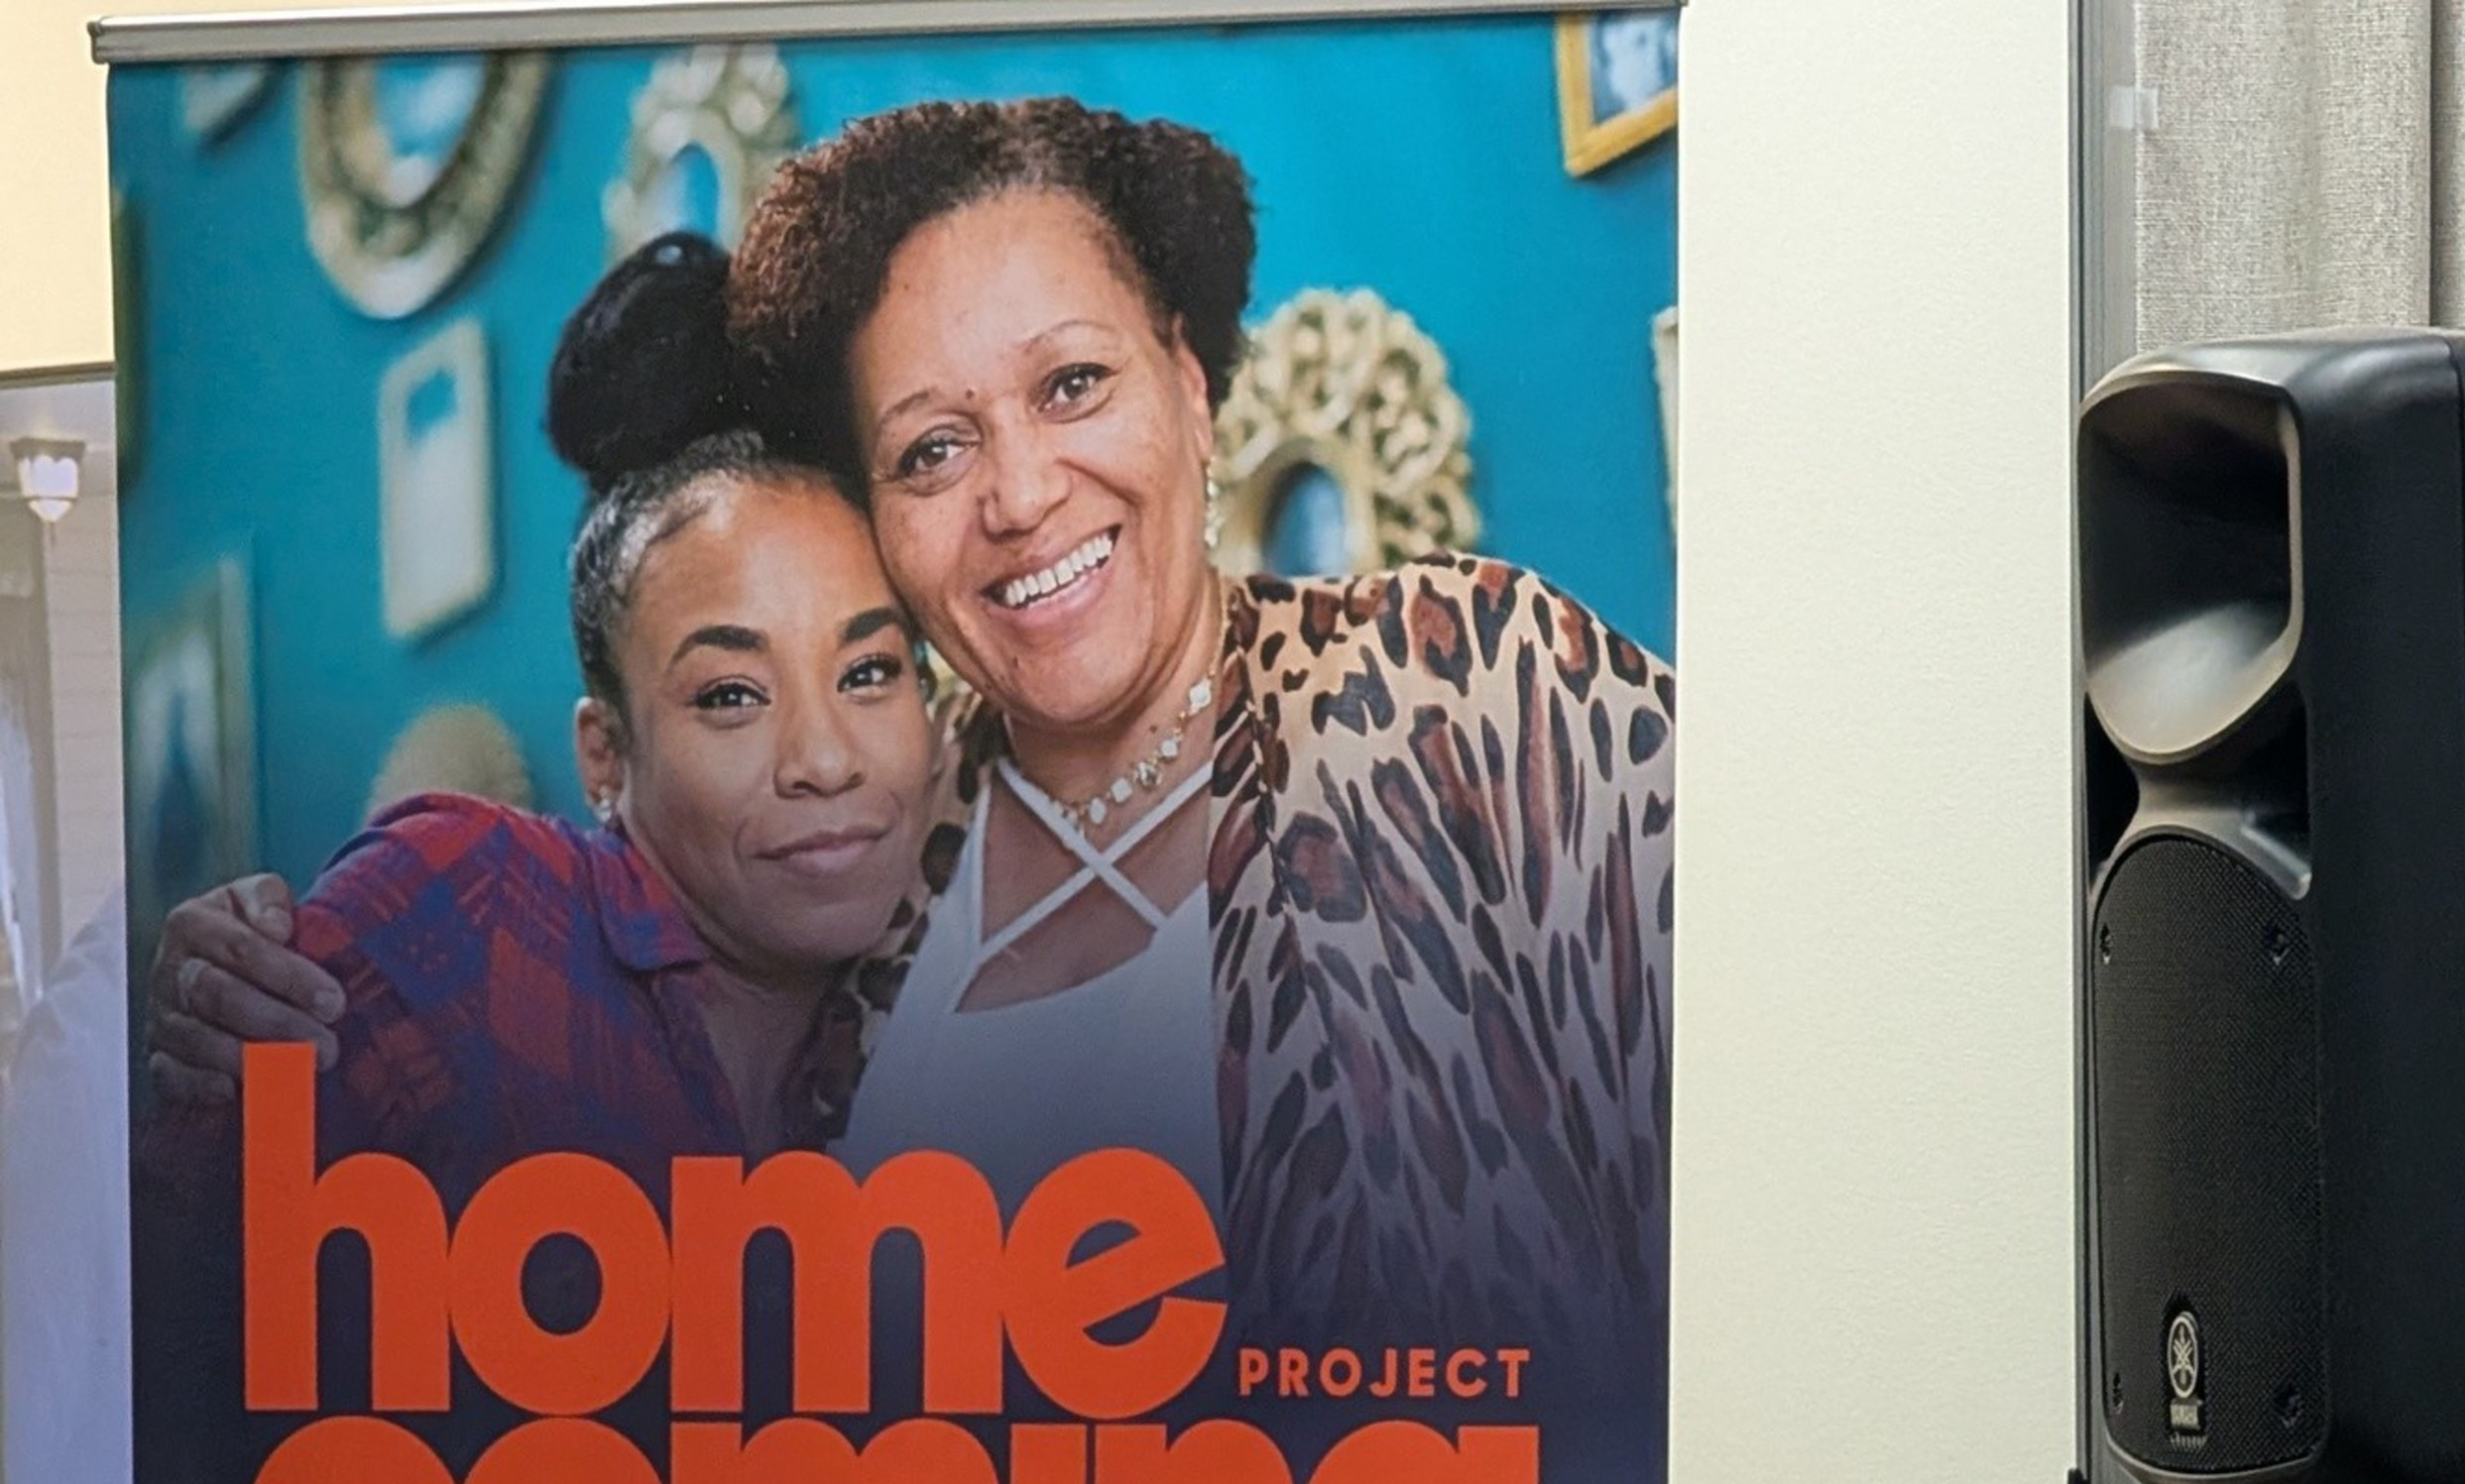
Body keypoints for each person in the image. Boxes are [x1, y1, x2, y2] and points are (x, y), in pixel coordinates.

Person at [154, 99, 1675, 1362]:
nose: (1016, 493)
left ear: (1194, 392)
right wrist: (199, 1021)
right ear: (884, 517)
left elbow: (1824, 1101)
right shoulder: (879, 887)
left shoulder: (1466, 685)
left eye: (1072, 383)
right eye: (934, 448)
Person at [143, 233, 943, 1190]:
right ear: (604, 758)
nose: (824, 759)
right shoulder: (467, 916)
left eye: (867, 672)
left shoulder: (939, 1003)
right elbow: (156, 1290)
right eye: (732, 695)